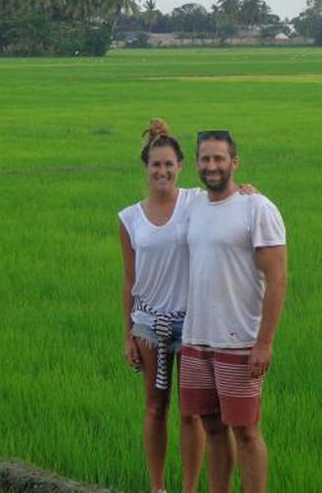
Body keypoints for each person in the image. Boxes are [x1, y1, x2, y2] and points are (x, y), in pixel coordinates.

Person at [179, 130, 287, 493]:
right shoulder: (192, 204)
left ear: (234, 162)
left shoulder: (257, 208)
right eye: (205, 159)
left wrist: (264, 342)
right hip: (197, 338)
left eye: (219, 159)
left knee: (245, 430)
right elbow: (157, 182)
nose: (212, 166)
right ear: (196, 164)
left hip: (239, 340)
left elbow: (277, 279)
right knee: (211, 425)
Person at [118, 119, 205, 493]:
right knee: (155, 407)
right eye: (156, 164)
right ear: (146, 167)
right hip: (148, 325)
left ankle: (188, 488)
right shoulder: (129, 218)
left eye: (169, 164)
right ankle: (158, 488)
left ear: (180, 166)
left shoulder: (196, 202)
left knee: (191, 411)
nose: (163, 171)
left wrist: (248, 191)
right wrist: (127, 335)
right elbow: (129, 279)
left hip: (192, 323)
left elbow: (231, 198)